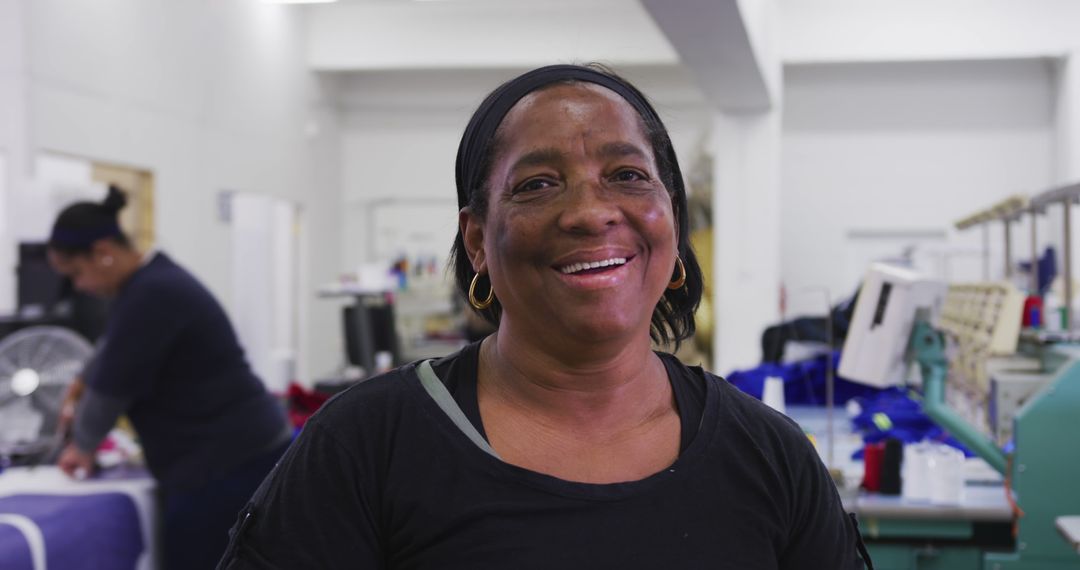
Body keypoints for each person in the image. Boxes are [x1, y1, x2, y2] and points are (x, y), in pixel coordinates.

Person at [217, 64, 873, 569]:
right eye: (536, 184)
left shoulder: (771, 457)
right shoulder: (367, 446)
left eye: (627, 175)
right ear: (477, 240)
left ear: (670, 217)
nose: (590, 212)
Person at [47, 186, 292, 570]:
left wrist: (80, 447)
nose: (79, 287)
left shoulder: (152, 295)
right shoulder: (149, 285)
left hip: (227, 463)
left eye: (76, 274)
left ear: (103, 253)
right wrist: (80, 380)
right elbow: (109, 352)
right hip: (239, 452)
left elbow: (111, 390)